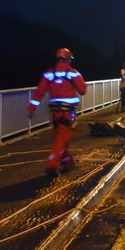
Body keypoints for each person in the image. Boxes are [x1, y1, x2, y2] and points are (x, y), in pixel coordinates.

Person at [28, 47, 88, 178]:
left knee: (62, 137)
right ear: (68, 59)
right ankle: (51, 164)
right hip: (68, 112)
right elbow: (83, 89)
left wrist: (32, 108)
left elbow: (39, 92)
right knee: (62, 139)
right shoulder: (73, 73)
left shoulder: (49, 74)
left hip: (55, 112)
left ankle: (67, 162)